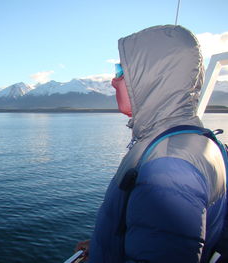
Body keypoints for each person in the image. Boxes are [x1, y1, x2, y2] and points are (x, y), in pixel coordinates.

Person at [75, 25, 227, 263]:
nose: (113, 82)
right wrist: (103, 246)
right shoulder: (195, 141)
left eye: (120, 71)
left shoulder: (169, 167)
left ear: (152, 78)